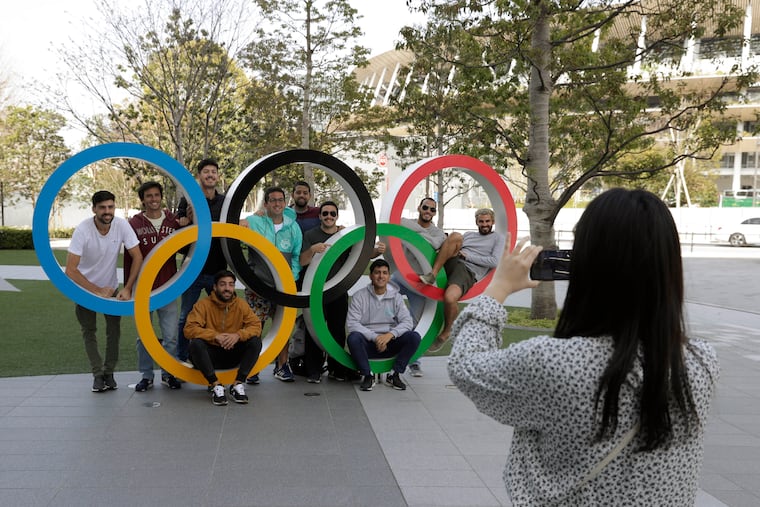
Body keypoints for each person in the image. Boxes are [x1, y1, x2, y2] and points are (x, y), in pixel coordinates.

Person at [447, 189, 719, 506]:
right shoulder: (701, 362)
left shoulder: (557, 363)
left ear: (589, 263)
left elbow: (466, 366)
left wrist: (499, 288)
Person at [65, 190, 143, 392]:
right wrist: (96, 290)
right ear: (94, 209)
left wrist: (127, 288)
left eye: (110, 207)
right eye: (102, 208)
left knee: (113, 332)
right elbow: (71, 270)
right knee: (89, 331)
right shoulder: (83, 230)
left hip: (111, 287)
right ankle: (97, 375)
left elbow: (137, 256)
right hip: (84, 289)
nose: (107, 212)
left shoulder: (121, 225)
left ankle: (109, 373)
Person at [299, 201, 386, 383]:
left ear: (337, 216)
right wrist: (313, 250)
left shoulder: (344, 235)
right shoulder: (311, 235)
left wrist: (377, 251)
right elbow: (302, 261)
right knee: (313, 329)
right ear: (320, 216)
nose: (329, 216)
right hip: (315, 291)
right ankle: (313, 370)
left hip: (337, 291)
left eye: (332, 213)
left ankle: (336, 368)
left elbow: (361, 253)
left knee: (337, 330)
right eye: (325, 213)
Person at [420, 208, 504, 352]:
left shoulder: (497, 238)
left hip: (468, 270)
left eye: (487, 221)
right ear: (476, 222)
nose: (484, 224)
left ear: (493, 222)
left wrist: (468, 257)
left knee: (450, 297)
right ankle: (432, 274)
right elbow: (454, 245)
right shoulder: (469, 235)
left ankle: (446, 333)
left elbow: (494, 261)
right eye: (481, 221)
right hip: (453, 260)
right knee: (455, 236)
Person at [241, 186, 302, 382]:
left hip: (284, 287)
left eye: (280, 200)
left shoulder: (293, 227)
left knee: (282, 327)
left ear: (285, 203)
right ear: (266, 203)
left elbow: (296, 257)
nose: (277, 203)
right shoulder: (255, 221)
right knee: (255, 327)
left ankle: (282, 366)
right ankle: (252, 367)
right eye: (273, 200)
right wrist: (247, 218)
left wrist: (290, 279)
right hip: (259, 285)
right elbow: (235, 225)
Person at [125, 181, 182, 392]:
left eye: (156, 195)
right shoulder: (134, 224)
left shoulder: (173, 221)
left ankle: (169, 373)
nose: (153, 199)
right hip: (143, 288)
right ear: (143, 199)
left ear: (161, 197)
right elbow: (130, 258)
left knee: (171, 336)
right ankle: (146, 376)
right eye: (148, 196)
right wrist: (128, 287)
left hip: (168, 285)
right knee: (144, 336)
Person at [175, 158, 228, 364]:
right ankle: (181, 358)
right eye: (206, 172)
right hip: (193, 268)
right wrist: (185, 222)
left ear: (218, 176)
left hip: (218, 270)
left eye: (213, 172)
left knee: (220, 317)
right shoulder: (188, 200)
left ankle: (218, 358)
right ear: (199, 176)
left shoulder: (224, 202)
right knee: (186, 317)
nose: (210, 175)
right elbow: (179, 228)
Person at [184, 270, 262, 406]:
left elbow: (256, 326)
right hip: (210, 357)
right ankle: (216, 385)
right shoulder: (203, 305)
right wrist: (215, 336)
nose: (227, 288)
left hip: (233, 355)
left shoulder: (241, 305)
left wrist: (238, 335)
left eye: (231, 285)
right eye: (223, 284)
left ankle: (238, 384)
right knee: (195, 344)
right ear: (214, 287)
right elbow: (189, 329)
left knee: (255, 341)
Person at [346, 259, 421, 392]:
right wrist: (375, 338)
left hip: (390, 342)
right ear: (371, 276)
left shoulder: (396, 297)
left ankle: (395, 374)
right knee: (353, 338)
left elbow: (407, 322)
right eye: (377, 273)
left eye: (384, 273)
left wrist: (390, 335)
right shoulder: (360, 296)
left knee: (414, 337)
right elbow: (352, 324)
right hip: (368, 343)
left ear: (388, 276)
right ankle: (367, 375)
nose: (381, 276)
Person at [392, 197, 447, 377]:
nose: (428, 212)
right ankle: (385, 351)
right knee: (384, 304)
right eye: (425, 207)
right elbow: (399, 223)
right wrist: (422, 234)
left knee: (417, 323)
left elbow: (434, 243)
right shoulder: (406, 222)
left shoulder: (438, 233)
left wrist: (415, 234)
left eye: (432, 210)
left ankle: (414, 360)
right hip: (401, 276)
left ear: (434, 213)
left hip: (420, 283)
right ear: (419, 207)